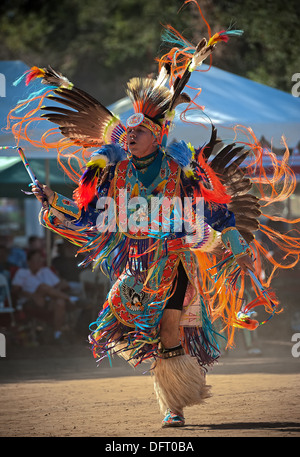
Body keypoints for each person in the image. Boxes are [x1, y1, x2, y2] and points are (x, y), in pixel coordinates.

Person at [8, 7, 300, 427]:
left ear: (158, 135)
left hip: (176, 259)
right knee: (137, 329)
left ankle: (173, 406)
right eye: (128, 129)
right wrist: (52, 198)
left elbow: (217, 212)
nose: (130, 133)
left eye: (140, 129)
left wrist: (236, 248)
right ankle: (173, 382)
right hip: (136, 263)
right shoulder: (116, 170)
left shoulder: (181, 169)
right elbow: (90, 215)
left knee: (169, 329)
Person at [12, 249, 71, 341]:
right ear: (29, 262)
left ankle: (57, 334)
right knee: (43, 287)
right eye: (36, 260)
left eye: (40, 260)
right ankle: (70, 299)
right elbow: (15, 291)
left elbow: (62, 284)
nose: (39, 262)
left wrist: (54, 291)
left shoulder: (46, 271)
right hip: (30, 302)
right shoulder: (22, 273)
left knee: (60, 302)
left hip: (48, 301)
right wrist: (31, 295)